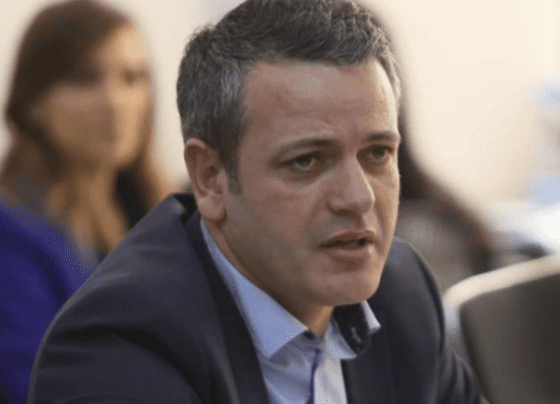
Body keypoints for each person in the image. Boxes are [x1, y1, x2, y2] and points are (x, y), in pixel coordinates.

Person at [28, 0, 486, 403]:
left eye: (378, 154)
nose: (358, 197)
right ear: (210, 179)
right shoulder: (120, 346)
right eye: (307, 161)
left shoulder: (401, 293)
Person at [0, 1, 173, 402]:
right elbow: (39, 385)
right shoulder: (11, 234)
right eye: (85, 78)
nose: (114, 101)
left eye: (132, 78)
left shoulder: (170, 217)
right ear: (33, 103)